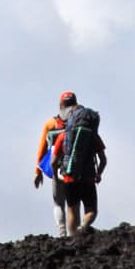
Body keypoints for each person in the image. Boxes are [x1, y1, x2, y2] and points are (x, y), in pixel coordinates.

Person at [50, 95, 107, 236]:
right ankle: (83, 227)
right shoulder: (93, 136)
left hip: (70, 177)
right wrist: (98, 173)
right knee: (91, 210)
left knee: (72, 210)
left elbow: (53, 161)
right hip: (88, 176)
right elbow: (103, 159)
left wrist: (56, 177)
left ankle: (73, 237)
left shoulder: (64, 136)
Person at [33, 91, 75, 237]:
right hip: (76, 167)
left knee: (58, 203)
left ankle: (62, 232)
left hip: (56, 166)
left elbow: (41, 149)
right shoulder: (80, 122)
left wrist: (38, 172)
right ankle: (76, 234)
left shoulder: (51, 124)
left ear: (60, 105)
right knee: (75, 203)